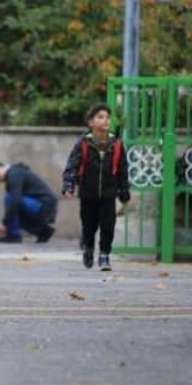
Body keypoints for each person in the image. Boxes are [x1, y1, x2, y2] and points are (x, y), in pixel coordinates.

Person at [61, 103, 130, 271]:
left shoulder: (117, 144)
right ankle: (88, 248)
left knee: (108, 225)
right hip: (88, 193)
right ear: (91, 122)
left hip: (108, 193)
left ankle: (105, 255)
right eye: (100, 117)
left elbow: (122, 169)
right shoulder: (83, 144)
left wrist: (124, 190)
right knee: (89, 225)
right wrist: (69, 186)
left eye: (107, 117)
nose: (105, 120)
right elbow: (72, 166)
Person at [0, 161, 57, 244]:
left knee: (9, 198)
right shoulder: (15, 173)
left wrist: (4, 223)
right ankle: (43, 231)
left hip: (43, 205)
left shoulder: (14, 174)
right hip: (44, 206)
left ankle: (14, 236)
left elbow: (15, 200)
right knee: (14, 213)